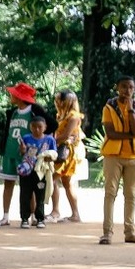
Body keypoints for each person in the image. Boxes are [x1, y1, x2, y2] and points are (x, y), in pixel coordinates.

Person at [97, 78, 135, 246]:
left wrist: (131, 111)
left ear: (134, 89)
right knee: (110, 193)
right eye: (124, 87)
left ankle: (130, 232)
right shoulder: (109, 107)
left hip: (134, 157)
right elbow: (111, 133)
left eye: (131, 87)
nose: (127, 90)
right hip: (113, 155)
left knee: (131, 195)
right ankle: (107, 233)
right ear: (117, 88)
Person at [0, 84, 53, 226]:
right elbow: (7, 131)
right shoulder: (12, 112)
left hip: (28, 154)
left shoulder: (34, 110)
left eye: (13, 94)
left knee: (31, 185)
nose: (11, 96)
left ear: (20, 97)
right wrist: (3, 148)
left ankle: (34, 216)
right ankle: (5, 216)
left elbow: (52, 124)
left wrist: (42, 142)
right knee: (8, 183)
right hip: (11, 151)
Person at [49, 90, 85, 224]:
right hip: (61, 148)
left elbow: (65, 135)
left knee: (52, 179)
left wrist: (50, 142)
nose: (57, 102)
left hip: (67, 152)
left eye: (59, 100)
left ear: (67, 101)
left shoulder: (74, 116)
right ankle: (74, 214)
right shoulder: (61, 115)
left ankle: (56, 211)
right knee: (66, 182)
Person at [15, 115, 57, 227]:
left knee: (40, 196)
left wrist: (49, 157)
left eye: (39, 127)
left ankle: (40, 219)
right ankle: (24, 218)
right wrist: (22, 150)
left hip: (41, 172)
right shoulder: (26, 138)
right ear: (30, 127)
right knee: (25, 195)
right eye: (34, 127)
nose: (37, 129)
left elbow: (54, 154)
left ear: (45, 127)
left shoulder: (49, 139)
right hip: (27, 171)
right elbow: (21, 153)